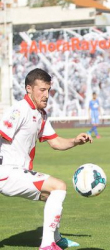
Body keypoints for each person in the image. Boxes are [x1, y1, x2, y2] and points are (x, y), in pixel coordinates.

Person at [0, 68, 93, 250]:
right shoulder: (20, 109)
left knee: (53, 194)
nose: (46, 95)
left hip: (17, 172)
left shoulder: (41, 114)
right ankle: (47, 244)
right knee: (59, 186)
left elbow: (55, 142)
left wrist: (75, 141)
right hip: (7, 171)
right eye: (41, 90)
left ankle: (55, 239)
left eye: (48, 90)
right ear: (29, 88)